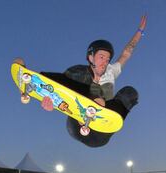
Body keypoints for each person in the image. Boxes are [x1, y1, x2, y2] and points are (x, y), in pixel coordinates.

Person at [15, 15, 147, 147]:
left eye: (107, 59)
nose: (105, 62)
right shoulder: (78, 72)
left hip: (100, 135)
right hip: (75, 127)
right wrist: (49, 98)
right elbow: (60, 83)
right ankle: (30, 80)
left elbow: (126, 53)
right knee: (81, 84)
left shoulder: (111, 71)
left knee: (130, 92)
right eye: (101, 57)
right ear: (90, 57)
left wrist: (140, 31)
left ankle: (100, 114)